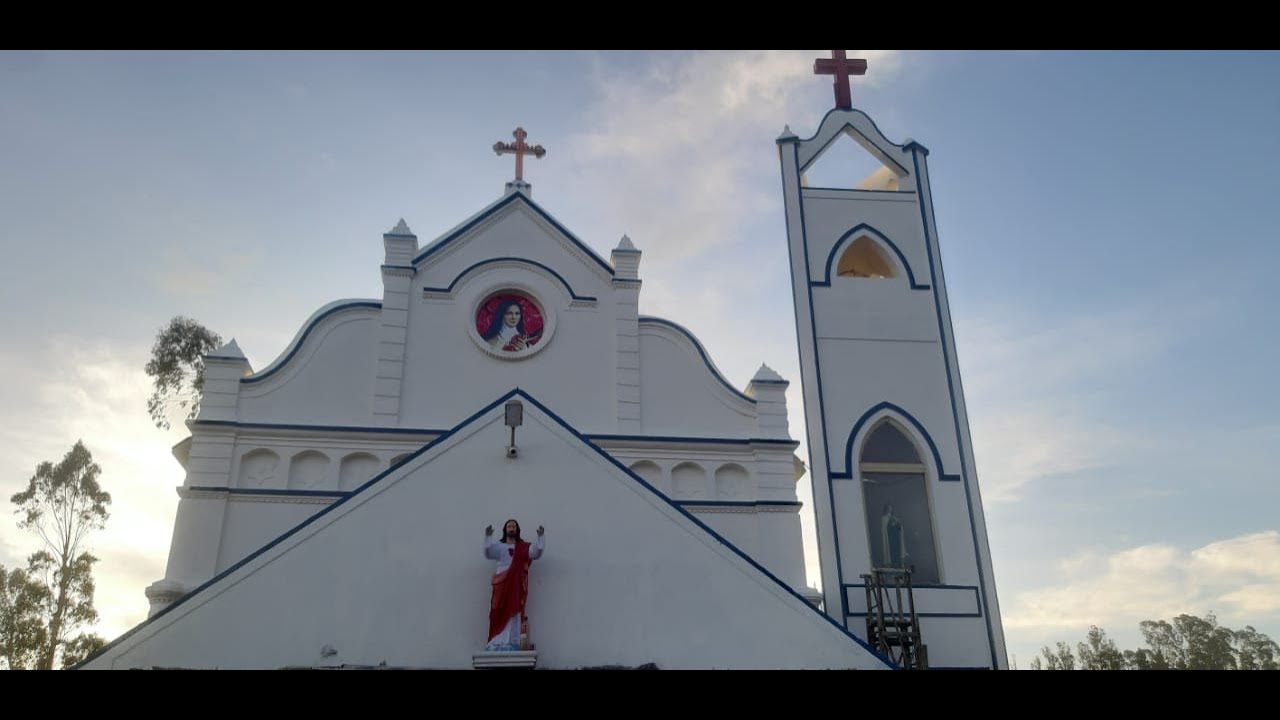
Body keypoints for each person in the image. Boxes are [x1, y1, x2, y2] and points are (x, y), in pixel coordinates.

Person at [483, 519, 545, 651]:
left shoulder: (522, 547)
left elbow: (536, 553)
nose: (511, 528)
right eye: (509, 526)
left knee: (514, 613)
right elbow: (488, 553)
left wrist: (541, 538)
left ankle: (512, 640)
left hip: (515, 586)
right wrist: (488, 536)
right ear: (505, 529)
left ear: (517, 530)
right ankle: (496, 641)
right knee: (497, 611)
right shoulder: (499, 547)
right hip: (501, 584)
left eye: (514, 526)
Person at [880, 504, 906, 569]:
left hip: (895, 538)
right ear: (886, 509)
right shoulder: (884, 518)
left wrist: (898, 524)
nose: (890, 509)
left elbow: (899, 526)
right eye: (889, 508)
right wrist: (892, 525)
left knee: (896, 554)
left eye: (891, 508)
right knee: (891, 555)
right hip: (890, 539)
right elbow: (885, 529)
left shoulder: (894, 517)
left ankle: (898, 565)